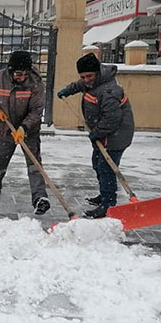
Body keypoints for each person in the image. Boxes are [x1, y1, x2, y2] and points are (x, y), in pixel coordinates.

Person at [57, 53, 135, 219]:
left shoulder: (109, 91)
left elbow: (112, 119)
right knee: (98, 164)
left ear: (98, 72)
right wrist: (68, 90)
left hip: (115, 135)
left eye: (89, 76)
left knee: (106, 168)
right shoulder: (94, 82)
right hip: (104, 133)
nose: (86, 80)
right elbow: (80, 85)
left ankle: (108, 204)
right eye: (83, 76)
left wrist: (96, 133)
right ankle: (105, 194)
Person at [0, 50, 51, 215]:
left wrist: (24, 128)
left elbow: (37, 110)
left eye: (25, 74)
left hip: (29, 130)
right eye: (18, 74)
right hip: (5, 127)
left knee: (34, 164)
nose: (22, 77)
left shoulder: (35, 82)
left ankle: (40, 198)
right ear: (10, 70)